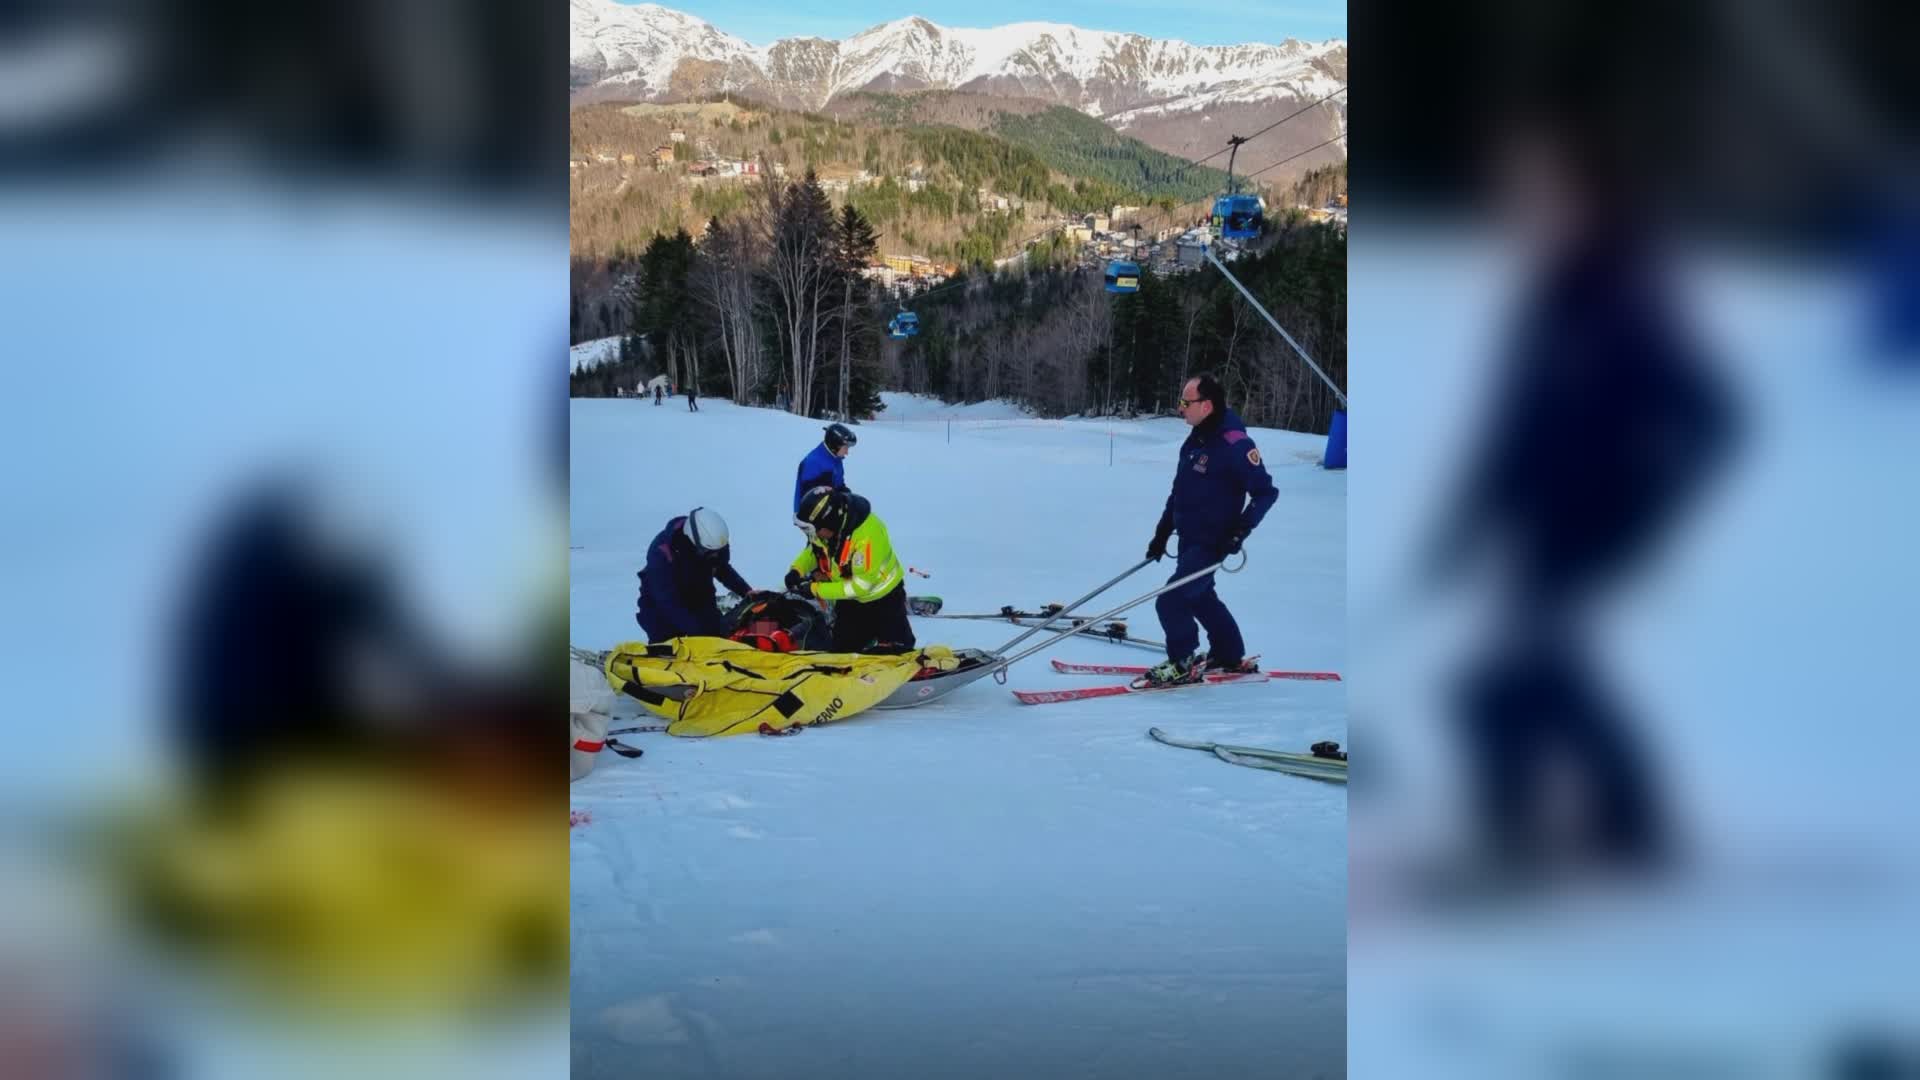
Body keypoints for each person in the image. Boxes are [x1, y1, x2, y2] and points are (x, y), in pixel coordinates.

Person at [1141, 374, 1278, 685]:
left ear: (1206, 405)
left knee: (1172, 599)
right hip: (1189, 538)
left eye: (1185, 403)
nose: (1180, 409)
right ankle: (1229, 652)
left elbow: (1266, 493)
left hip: (1212, 542)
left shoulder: (1235, 444)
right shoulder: (1196, 439)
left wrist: (1240, 531)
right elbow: (1179, 492)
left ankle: (1182, 661)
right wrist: (1162, 533)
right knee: (1201, 597)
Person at [785, 487, 914, 654]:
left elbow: (860, 586)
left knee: (898, 652)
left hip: (884, 599)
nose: (812, 534)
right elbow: (815, 550)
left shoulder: (867, 536)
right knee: (842, 651)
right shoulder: (829, 529)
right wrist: (797, 569)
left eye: (812, 529)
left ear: (828, 521)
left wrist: (815, 589)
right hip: (850, 601)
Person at [635, 508, 753, 642]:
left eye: (717, 552)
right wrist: (698, 633)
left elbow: (721, 568)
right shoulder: (662, 554)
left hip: (700, 592)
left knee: (716, 635)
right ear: (693, 540)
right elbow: (669, 602)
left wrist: (746, 591)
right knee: (670, 649)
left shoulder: (713, 543)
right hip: (661, 605)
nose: (715, 555)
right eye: (710, 552)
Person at [793, 423, 856, 513]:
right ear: (835, 445)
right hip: (812, 515)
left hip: (828, 508)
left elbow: (838, 485)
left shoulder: (836, 459)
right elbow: (809, 497)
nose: (847, 452)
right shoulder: (814, 462)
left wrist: (848, 498)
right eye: (845, 448)